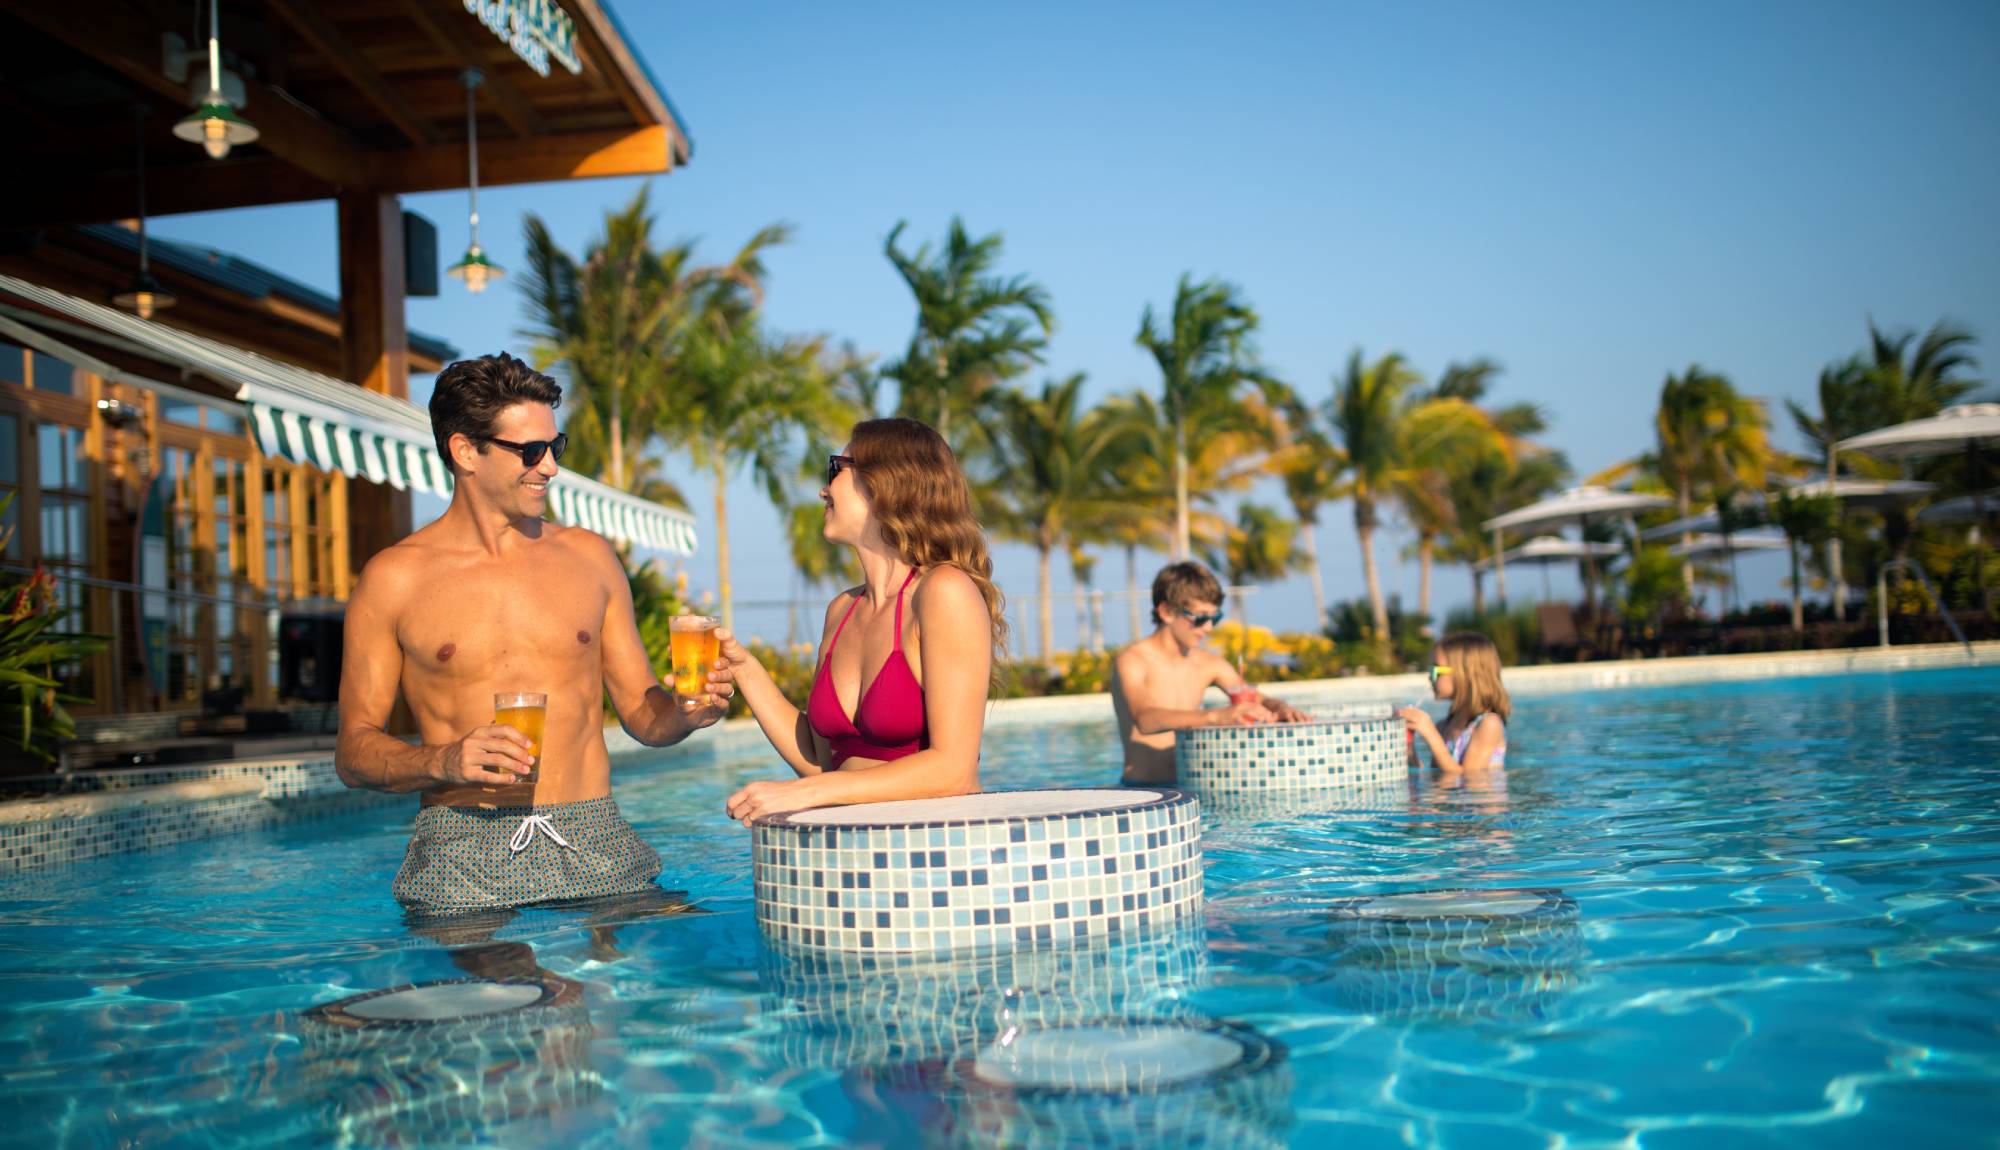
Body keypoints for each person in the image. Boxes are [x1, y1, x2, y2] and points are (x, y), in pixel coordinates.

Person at [334, 352, 736, 915]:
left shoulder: (589, 558)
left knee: (697, 965)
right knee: (508, 995)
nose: (549, 467)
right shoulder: (393, 580)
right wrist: (443, 760)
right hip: (462, 849)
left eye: (555, 447)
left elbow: (645, 718)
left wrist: (689, 712)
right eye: (529, 451)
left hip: (595, 834)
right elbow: (353, 752)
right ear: (465, 451)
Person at [719, 417, 1007, 826]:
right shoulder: (842, 610)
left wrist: (806, 794)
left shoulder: (943, 592)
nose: (823, 488)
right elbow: (822, 764)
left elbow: (954, 771)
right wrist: (743, 670)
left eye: (836, 468)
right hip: (861, 856)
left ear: (885, 482)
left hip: (935, 854)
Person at [1110, 561, 1309, 785]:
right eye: (1200, 617)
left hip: (1191, 787)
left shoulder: (1210, 664)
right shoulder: (1133, 661)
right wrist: (1217, 716)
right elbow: (1146, 720)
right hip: (1143, 792)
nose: (1208, 628)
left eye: (1215, 618)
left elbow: (1254, 699)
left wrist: (1280, 708)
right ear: (1166, 612)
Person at [1399, 631, 1510, 773]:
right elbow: (1437, 779)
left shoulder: (1489, 725)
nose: (1430, 677)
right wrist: (1409, 748)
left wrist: (1431, 734)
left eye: (1436, 670)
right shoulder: (1444, 726)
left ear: (1466, 674)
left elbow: (1469, 779)